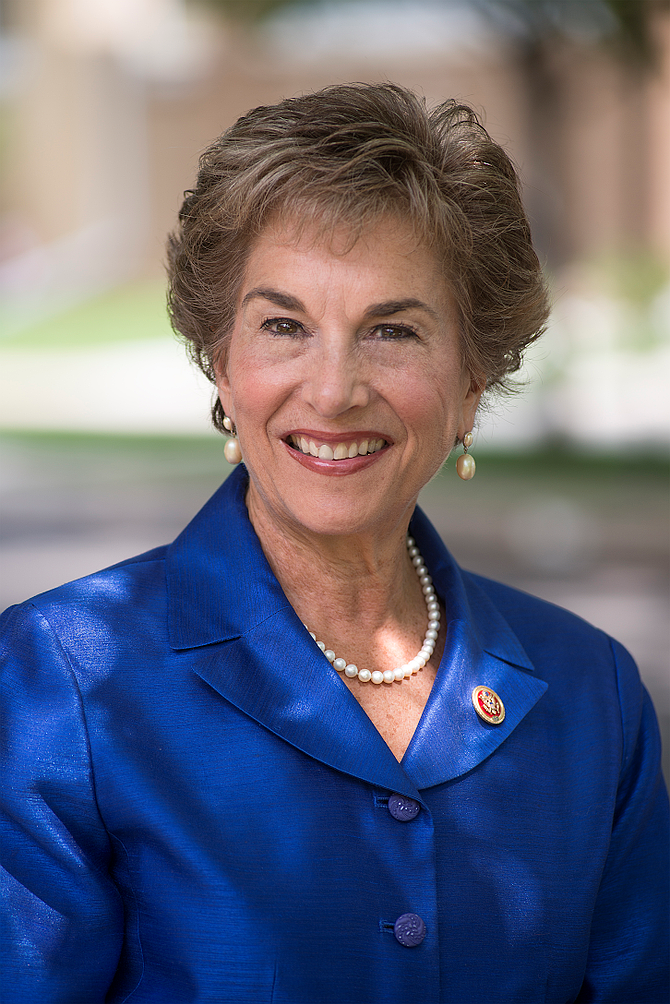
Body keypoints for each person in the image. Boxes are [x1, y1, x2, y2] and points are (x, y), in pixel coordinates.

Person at [1, 83, 667, 1004]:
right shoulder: (58, 680)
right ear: (221, 364)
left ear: (473, 382)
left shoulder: (595, 695)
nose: (333, 389)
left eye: (392, 330)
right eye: (284, 326)